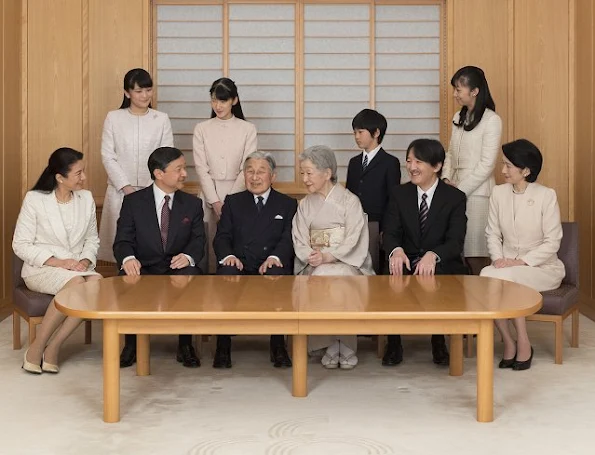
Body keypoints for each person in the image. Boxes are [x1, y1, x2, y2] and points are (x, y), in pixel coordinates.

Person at [113, 146, 206, 368]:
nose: (185, 173)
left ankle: (185, 344)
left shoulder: (192, 204)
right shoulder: (133, 202)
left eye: (184, 168)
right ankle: (131, 343)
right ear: (159, 173)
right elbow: (122, 240)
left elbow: (198, 240)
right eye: (179, 169)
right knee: (129, 277)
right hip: (143, 265)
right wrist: (128, 259)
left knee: (189, 275)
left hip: (177, 266)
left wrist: (188, 256)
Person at [13, 148, 102, 374]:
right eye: (78, 173)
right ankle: (37, 348)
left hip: (77, 269)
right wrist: (58, 262)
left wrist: (84, 260)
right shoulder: (35, 200)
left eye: (83, 172)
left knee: (96, 282)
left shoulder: (86, 198)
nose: (84, 178)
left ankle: (53, 346)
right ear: (60, 177)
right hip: (42, 269)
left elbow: (92, 238)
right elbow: (20, 244)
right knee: (77, 285)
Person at [480, 139, 565, 371]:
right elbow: (492, 233)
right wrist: (498, 258)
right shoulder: (498, 193)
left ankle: (524, 343)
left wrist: (520, 262)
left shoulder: (546, 196)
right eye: (503, 164)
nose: (503, 170)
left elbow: (553, 241)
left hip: (542, 268)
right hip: (504, 266)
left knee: (508, 280)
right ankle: (509, 342)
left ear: (526, 170)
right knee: (486, 276)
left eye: (508, 165)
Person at [383, 138, 467, 367]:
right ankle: (393, 341)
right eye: (409, 161)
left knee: (436, 271)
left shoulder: (455, 198)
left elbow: (455, 242)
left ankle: (439, 339)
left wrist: (433, 254)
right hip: (406, 259)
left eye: (418, 161)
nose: (411, 167)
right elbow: (389, 233)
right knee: (393, 268)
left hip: (440, 261)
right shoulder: (399, 194)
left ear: (437, 166)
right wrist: (396, 251)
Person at [292, 145, 374, 370]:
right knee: (320, 275)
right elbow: (299, 237)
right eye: (302, 173)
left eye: (309, 173)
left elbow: (354, 238)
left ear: (327, 173)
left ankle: (344, 343)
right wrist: (312, 256)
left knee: (340, 277)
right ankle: (328, 343)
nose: (305, 179)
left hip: (347, 262)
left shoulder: (350, 201)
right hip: (315, 263)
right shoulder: (305, 204)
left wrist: (329, 256)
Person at [213, 151, 298, 368]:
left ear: (273, 176)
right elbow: (222, 236)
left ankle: (278, 345)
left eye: (261, 171)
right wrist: (229, 256)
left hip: (270, 263)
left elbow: (289, 238)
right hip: (240, 262)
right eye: (249, 171)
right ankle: (223, 345)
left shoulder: (287, 204)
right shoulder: (233, 202)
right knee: (227, 274)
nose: (254, 177)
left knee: (278, 275)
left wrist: (274, 256)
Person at [98, 68, 174, 263]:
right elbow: (108, 156)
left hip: (153, 191)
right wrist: (126, 187)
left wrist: (152, 187)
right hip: (120, 190)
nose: (145, 95)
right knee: (122, 248)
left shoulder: (161, 119)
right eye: (139, 91)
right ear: (127, 93)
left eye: (148, 90)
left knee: (151, 246)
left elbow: (166, 156)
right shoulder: (114, 118)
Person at [193, 78, 257, 272]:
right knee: (207, 241)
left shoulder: (248, 129)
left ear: (234, 101)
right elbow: (201, 168)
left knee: (235, 241)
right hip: (208, 193)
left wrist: (229, 201)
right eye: (214, 100)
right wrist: (215, 201)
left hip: (239, 192)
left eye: (223, 100)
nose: (218, 106)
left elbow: (247, 167)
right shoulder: (201, 128)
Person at [442, 66, 502, 275]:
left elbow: (487, 164)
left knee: (475, 252)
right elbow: (449, 153)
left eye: (459, 90)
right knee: (455, 249)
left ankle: (481, 302)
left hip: (477, 194)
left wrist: (460, 189)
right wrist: (447, 179)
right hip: (453, 189)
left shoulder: (491, 120)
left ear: (475, 91)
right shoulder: (458, 116)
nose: (455, 94)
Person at [346, 108, 401, 230]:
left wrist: (387, 229)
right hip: (353, 222)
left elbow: (392, 200)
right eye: (355, 133)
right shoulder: (354, 162)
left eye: (360, 132)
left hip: (377, 224)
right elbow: (348, 195)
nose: (356, 137)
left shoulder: (390, 162)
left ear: (376, 133)